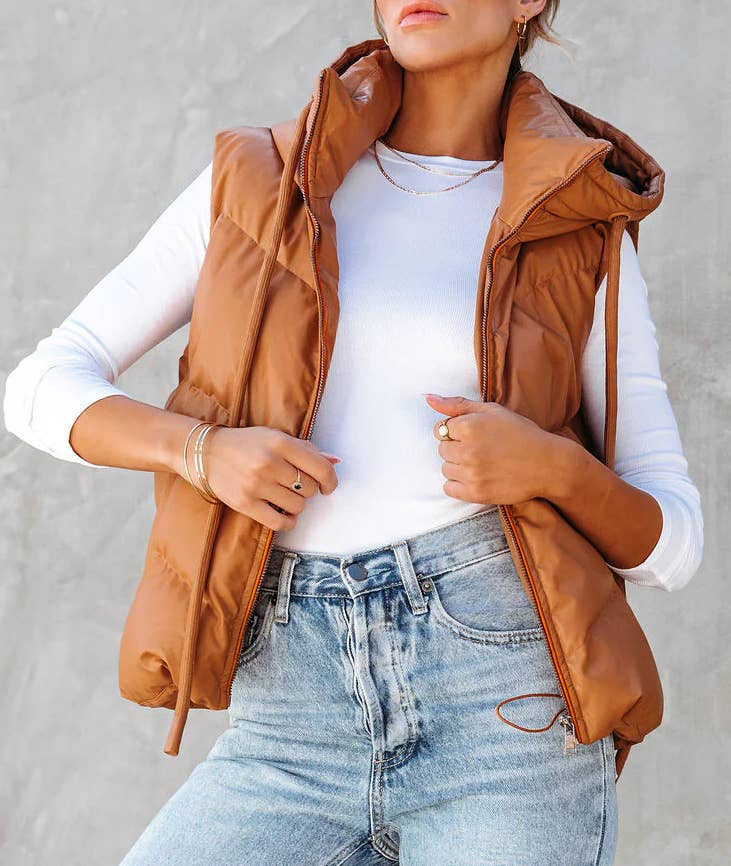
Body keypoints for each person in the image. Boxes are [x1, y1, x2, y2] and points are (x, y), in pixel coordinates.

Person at [3, 2, 704, 864]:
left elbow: (672, 544)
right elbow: (39, 385)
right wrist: (202, 453)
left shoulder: (580, 224)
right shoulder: (260, 178)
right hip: (290, 712)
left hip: (504, 715)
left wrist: (552, 468)